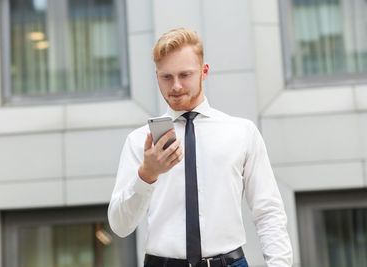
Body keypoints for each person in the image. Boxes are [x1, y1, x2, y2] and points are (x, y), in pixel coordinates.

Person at [108, 28, 293, 267]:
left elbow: (268, 212)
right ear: (157, 76)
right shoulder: (139, 142)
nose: (175, 86)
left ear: (204, 72)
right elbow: (121, 226)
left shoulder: (241, 132)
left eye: (184, 75)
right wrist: (147, 176)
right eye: (166, 77)